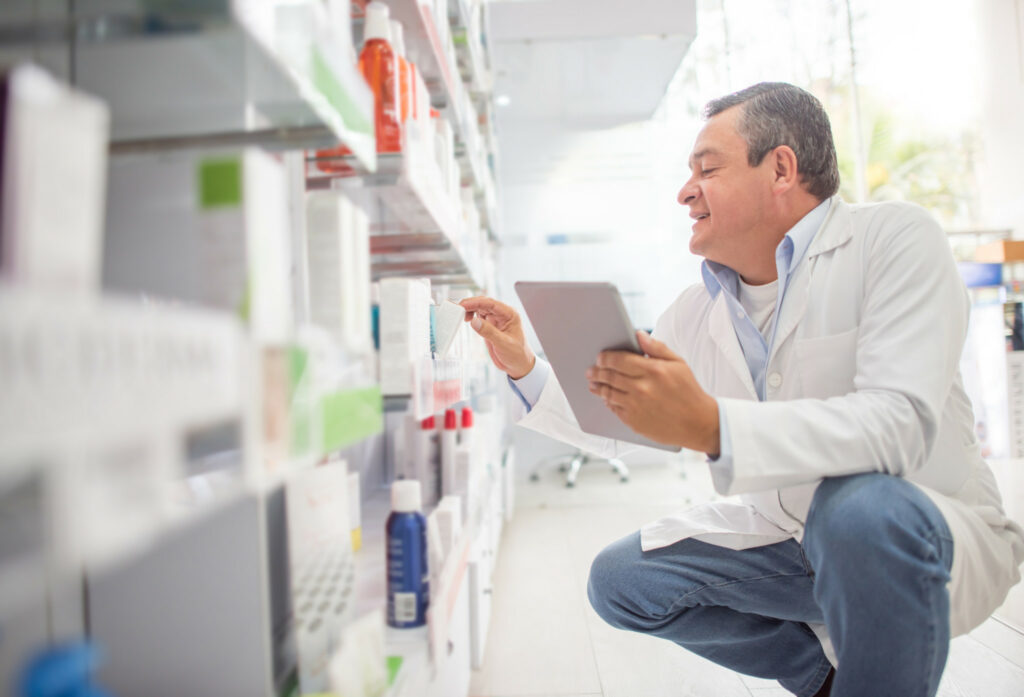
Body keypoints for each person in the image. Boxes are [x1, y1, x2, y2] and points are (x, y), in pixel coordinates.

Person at [460, 82, 1024, 697]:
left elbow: (899, 426)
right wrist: (523, 365)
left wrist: (710, 425)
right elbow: (618, 427)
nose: (685, 191)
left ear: (781, 168)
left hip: (916, 532)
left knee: (856, 508)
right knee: (621, 579)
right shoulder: (696, 311)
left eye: (707, 169)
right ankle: (826, 679)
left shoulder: (894, 240)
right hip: (791, 540)